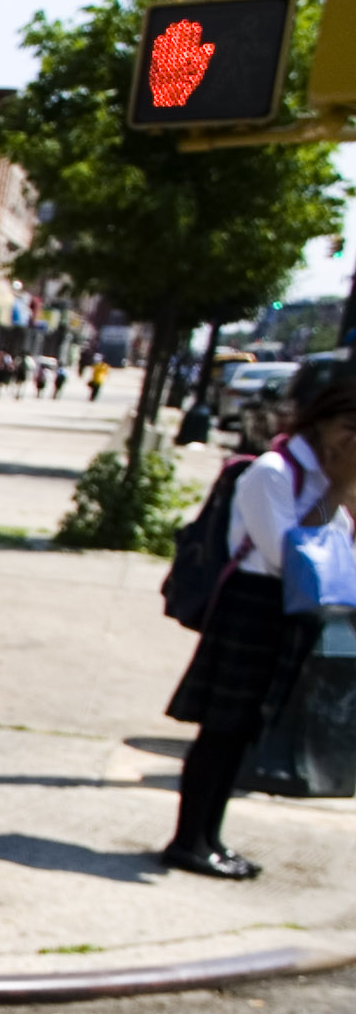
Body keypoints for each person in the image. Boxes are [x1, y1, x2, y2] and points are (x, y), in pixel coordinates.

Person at [164, 363, 355, 878]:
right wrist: (338, 490)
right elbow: (286, 557)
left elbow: (341, 551)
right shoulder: (272, 472)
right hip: (253, 604)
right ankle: (187, 840)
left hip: (288, 614)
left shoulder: (322, 478)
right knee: (220, 730)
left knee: (245, 730)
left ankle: (210, 837)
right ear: (323, 420)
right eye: (350, 427)